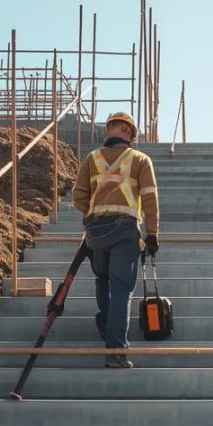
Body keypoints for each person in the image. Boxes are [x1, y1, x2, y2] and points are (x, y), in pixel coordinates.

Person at [72, 111, 159, 368]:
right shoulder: (140, 159)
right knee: (121, 289)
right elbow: (150, 199)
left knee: (103, 279)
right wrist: (153, 234)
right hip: (124, 231)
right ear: (129, 132)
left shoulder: (92, 158)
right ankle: (115, 352)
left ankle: (106, 324)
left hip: (96, 231)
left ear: (109, 130)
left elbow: (78, 195)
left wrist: (90, 217)